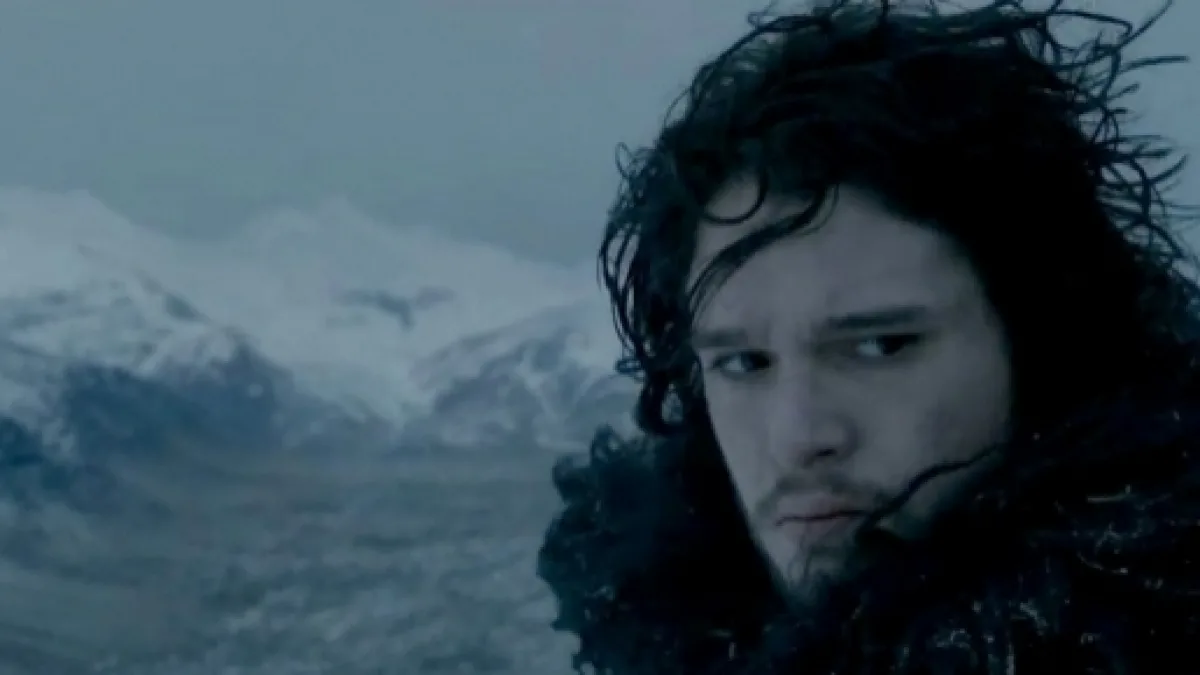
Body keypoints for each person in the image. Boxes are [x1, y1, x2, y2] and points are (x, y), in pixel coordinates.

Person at [536, 0, 1200, 672]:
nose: (798, 436)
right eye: (744, 361)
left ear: (1046, 342)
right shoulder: (669, 634)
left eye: (881, 346)